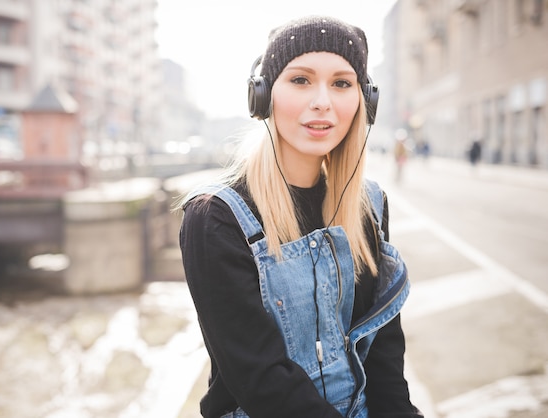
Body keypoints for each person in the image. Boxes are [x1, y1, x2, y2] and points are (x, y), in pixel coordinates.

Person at [178, 15, 423, 418]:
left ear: (365, 101)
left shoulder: (368, 204)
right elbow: (261, 381)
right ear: (262, 96)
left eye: (342, 83)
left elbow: (383, 355)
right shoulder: (215, 218)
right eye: (301, 80)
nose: (322, 101)